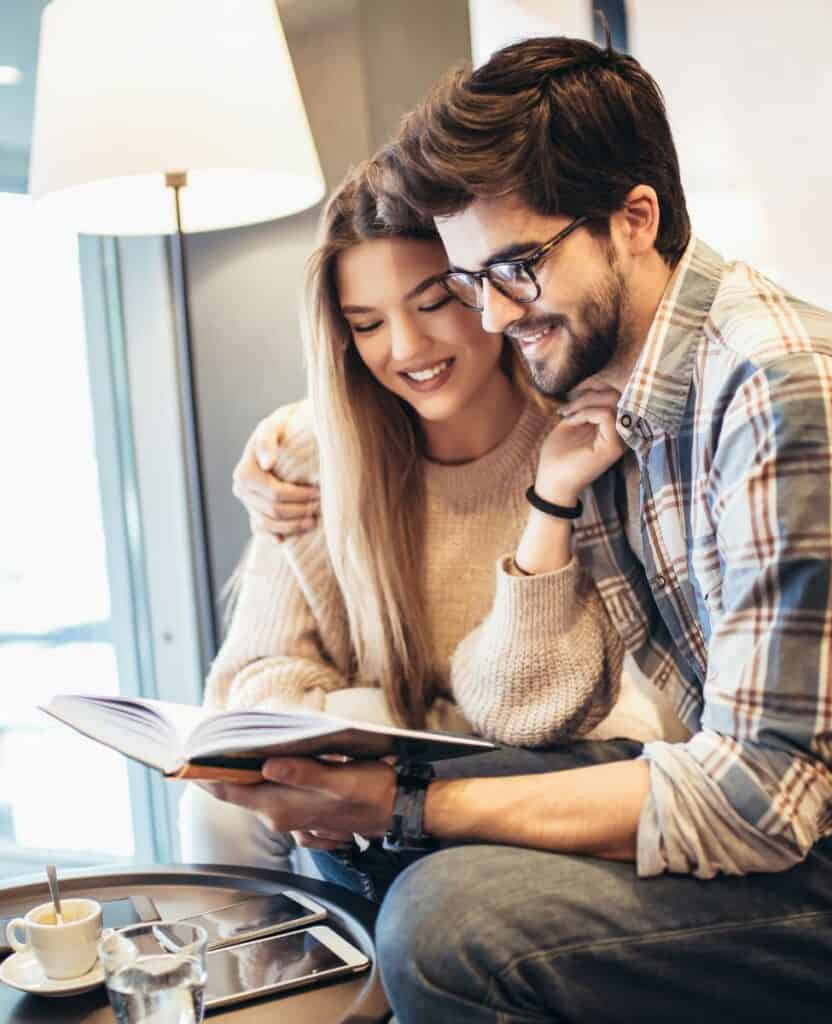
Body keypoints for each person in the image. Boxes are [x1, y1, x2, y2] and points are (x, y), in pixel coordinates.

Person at [203, 35, 832, 1024]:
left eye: (515, 268)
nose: (496, 314)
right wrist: (298, 441)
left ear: (634, 219)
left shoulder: (780, 390)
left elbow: (768, 795)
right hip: (810, 823)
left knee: (442, 917)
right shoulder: (613, 387)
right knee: (424, 815)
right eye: (470, 281)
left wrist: (411, 807)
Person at [181, 157, 685, 883]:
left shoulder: (581, 444)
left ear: (490, 290)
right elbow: (253, 680)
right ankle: (255, 990)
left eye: (433, 303)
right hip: (377, 772)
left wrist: (374, 739)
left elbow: (545, 714)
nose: (407, 350)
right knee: (221, 802)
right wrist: (344, 750)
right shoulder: (305, 451)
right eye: (367, 323)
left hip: (542, 765)